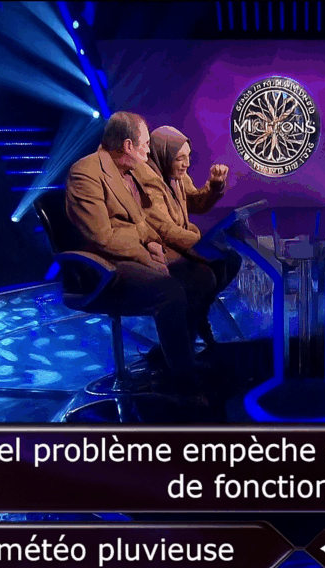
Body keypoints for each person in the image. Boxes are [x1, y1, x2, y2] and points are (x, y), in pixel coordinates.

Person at [65, 111, 216, 388]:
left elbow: (141, 223)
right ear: (128, 146)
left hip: (130, 254)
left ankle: (173, 356)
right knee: (169, 290)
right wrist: (146, 254)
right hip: (103, 267)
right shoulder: (85, 173)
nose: (148, 150)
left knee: (201, 276)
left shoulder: (129, 172)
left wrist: (153, 243)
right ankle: (184, 380)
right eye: (145, 144)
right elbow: (102, 237)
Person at [144, 125, 242, 345]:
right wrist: (201, 245)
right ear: (163, 155)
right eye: (180, 158)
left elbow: (196, 203)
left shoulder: (176, 176)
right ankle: (182, 341)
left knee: (231, 260)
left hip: (182, 246)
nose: (186, 164)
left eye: (188, 157)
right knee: (204, 277)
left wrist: (215, 186)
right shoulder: (148, 183)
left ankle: (197, 316)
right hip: (161, 253)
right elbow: (165, 230)